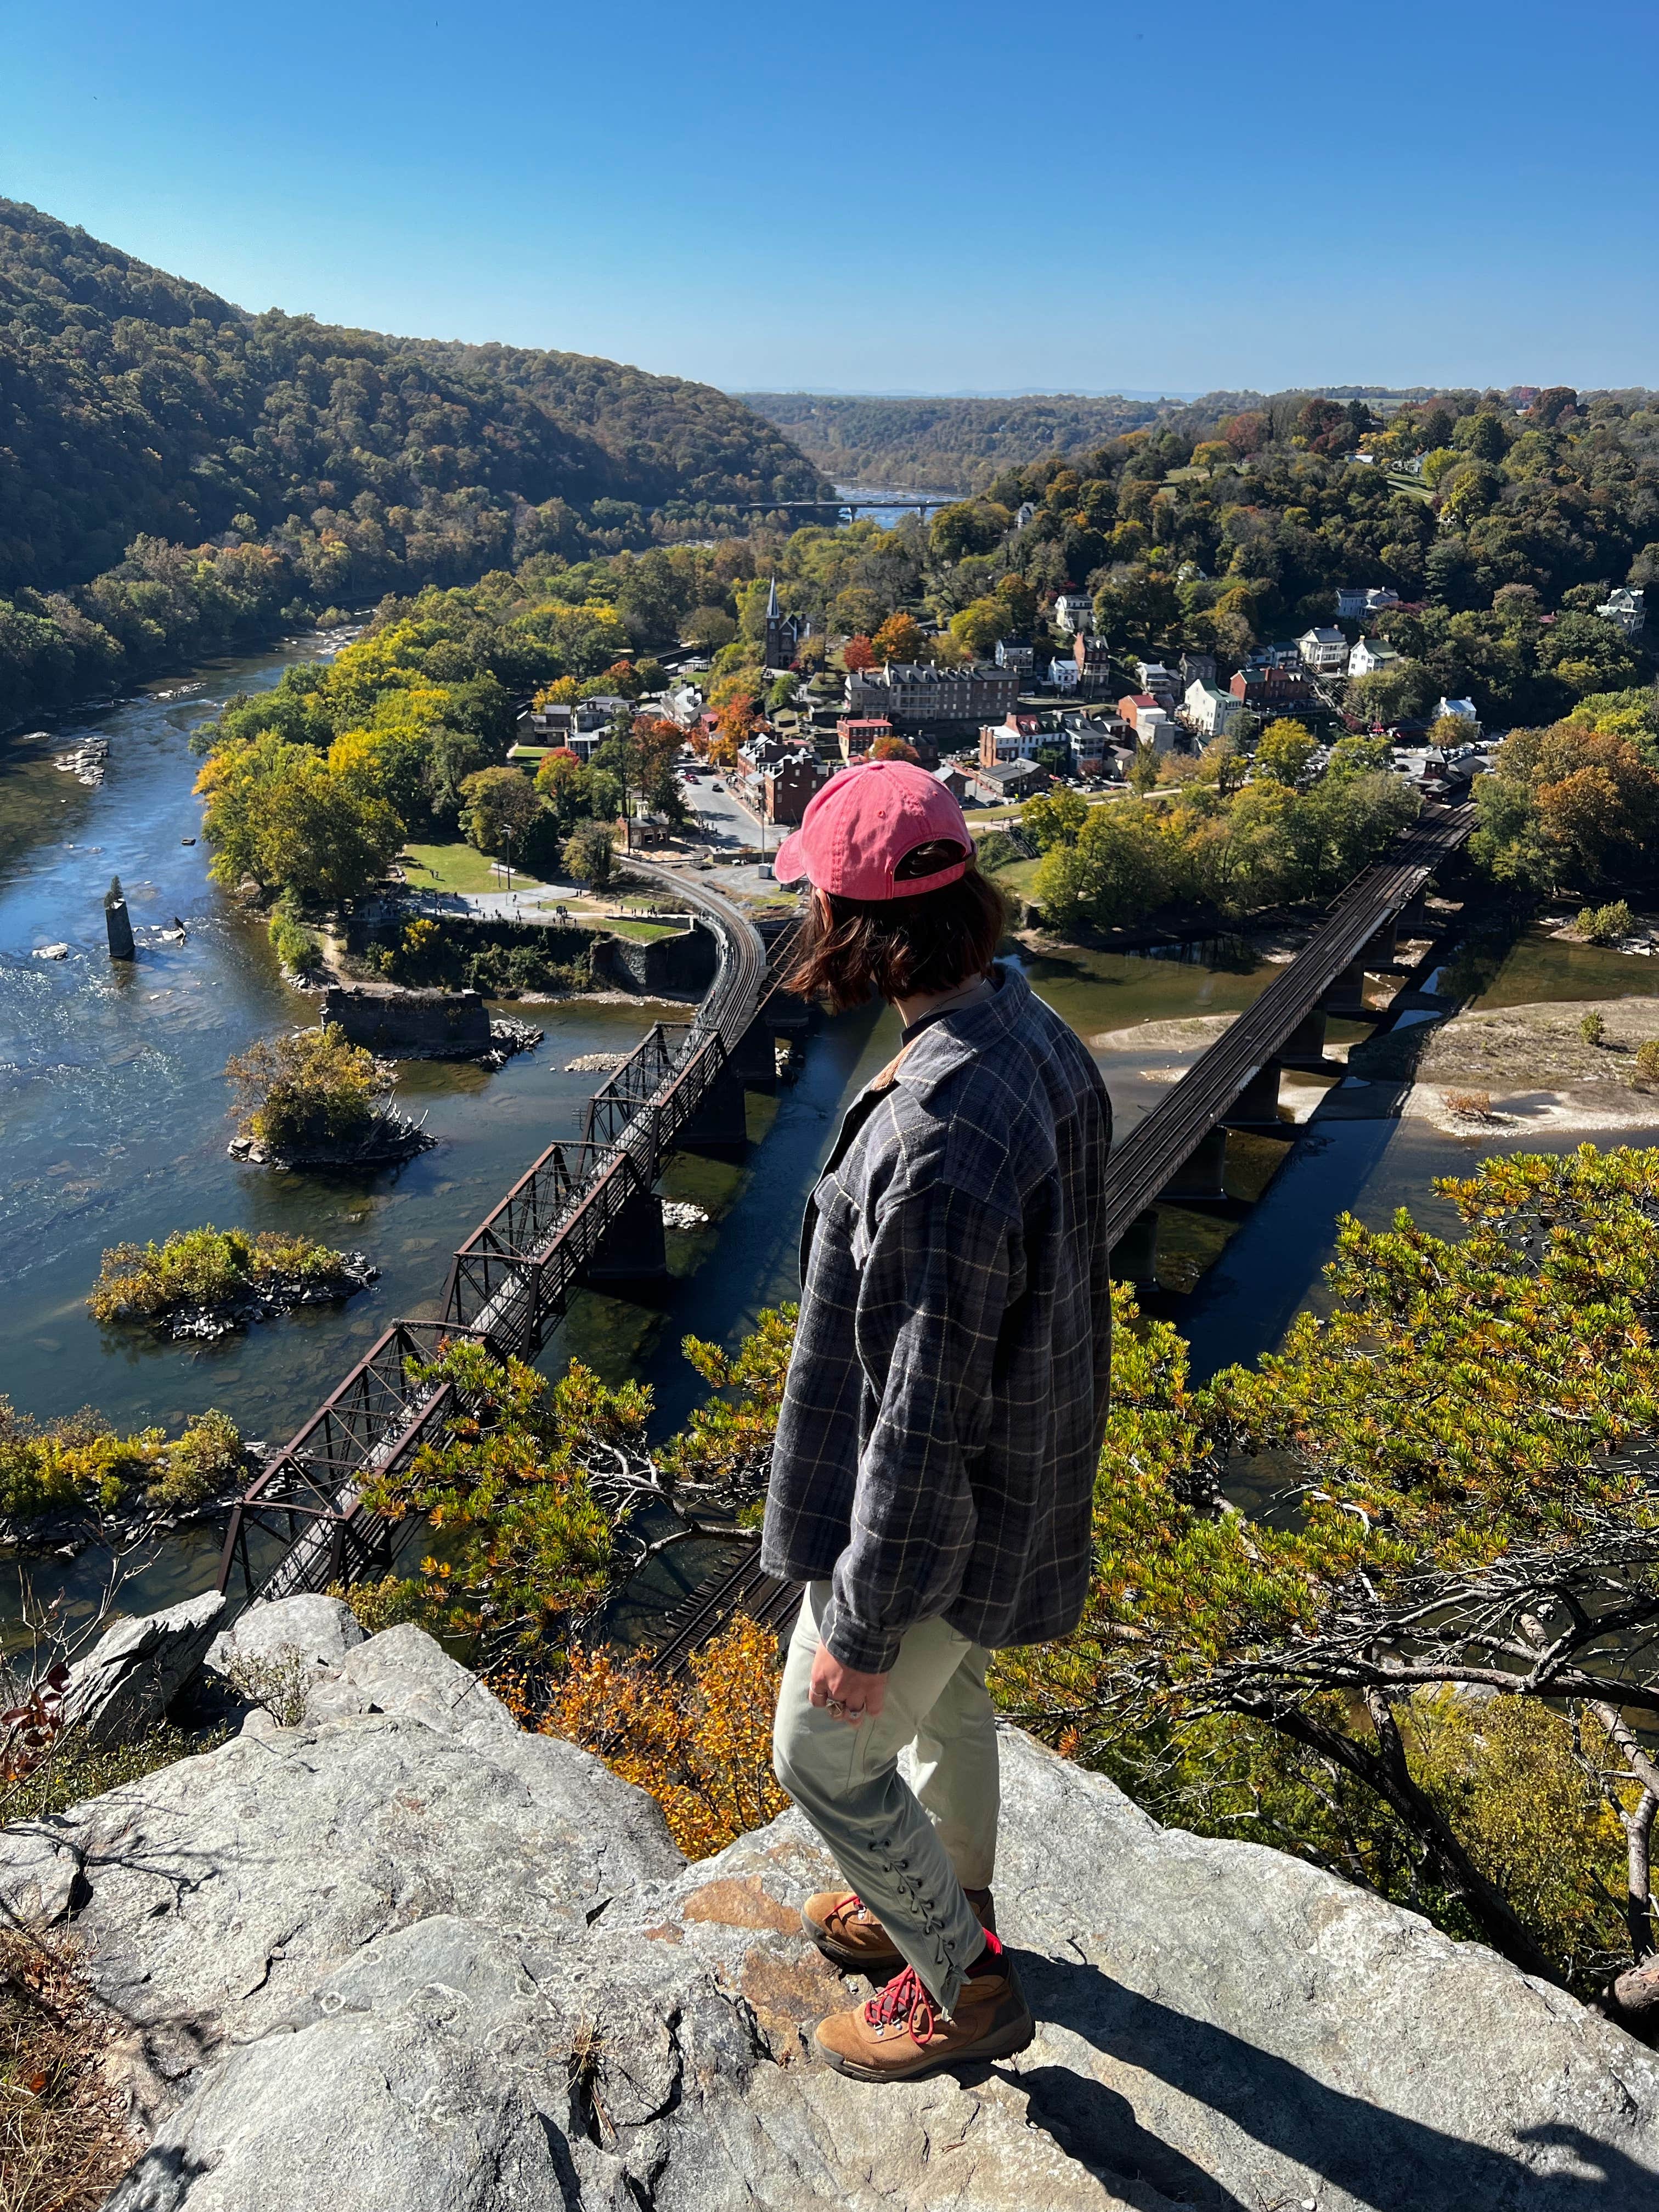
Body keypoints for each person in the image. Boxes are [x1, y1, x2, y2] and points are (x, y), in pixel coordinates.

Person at [761, 757, 1114, 2083]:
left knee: (820, 1752)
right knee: (951, 1697)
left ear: (848, 922)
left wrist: (858, 1627)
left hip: (939, 1510)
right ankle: (941, 1899)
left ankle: (963, 1986)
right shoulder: (1027, 1026)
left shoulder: (939, 1135)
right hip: (1024, 1480)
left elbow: (919, 1416)